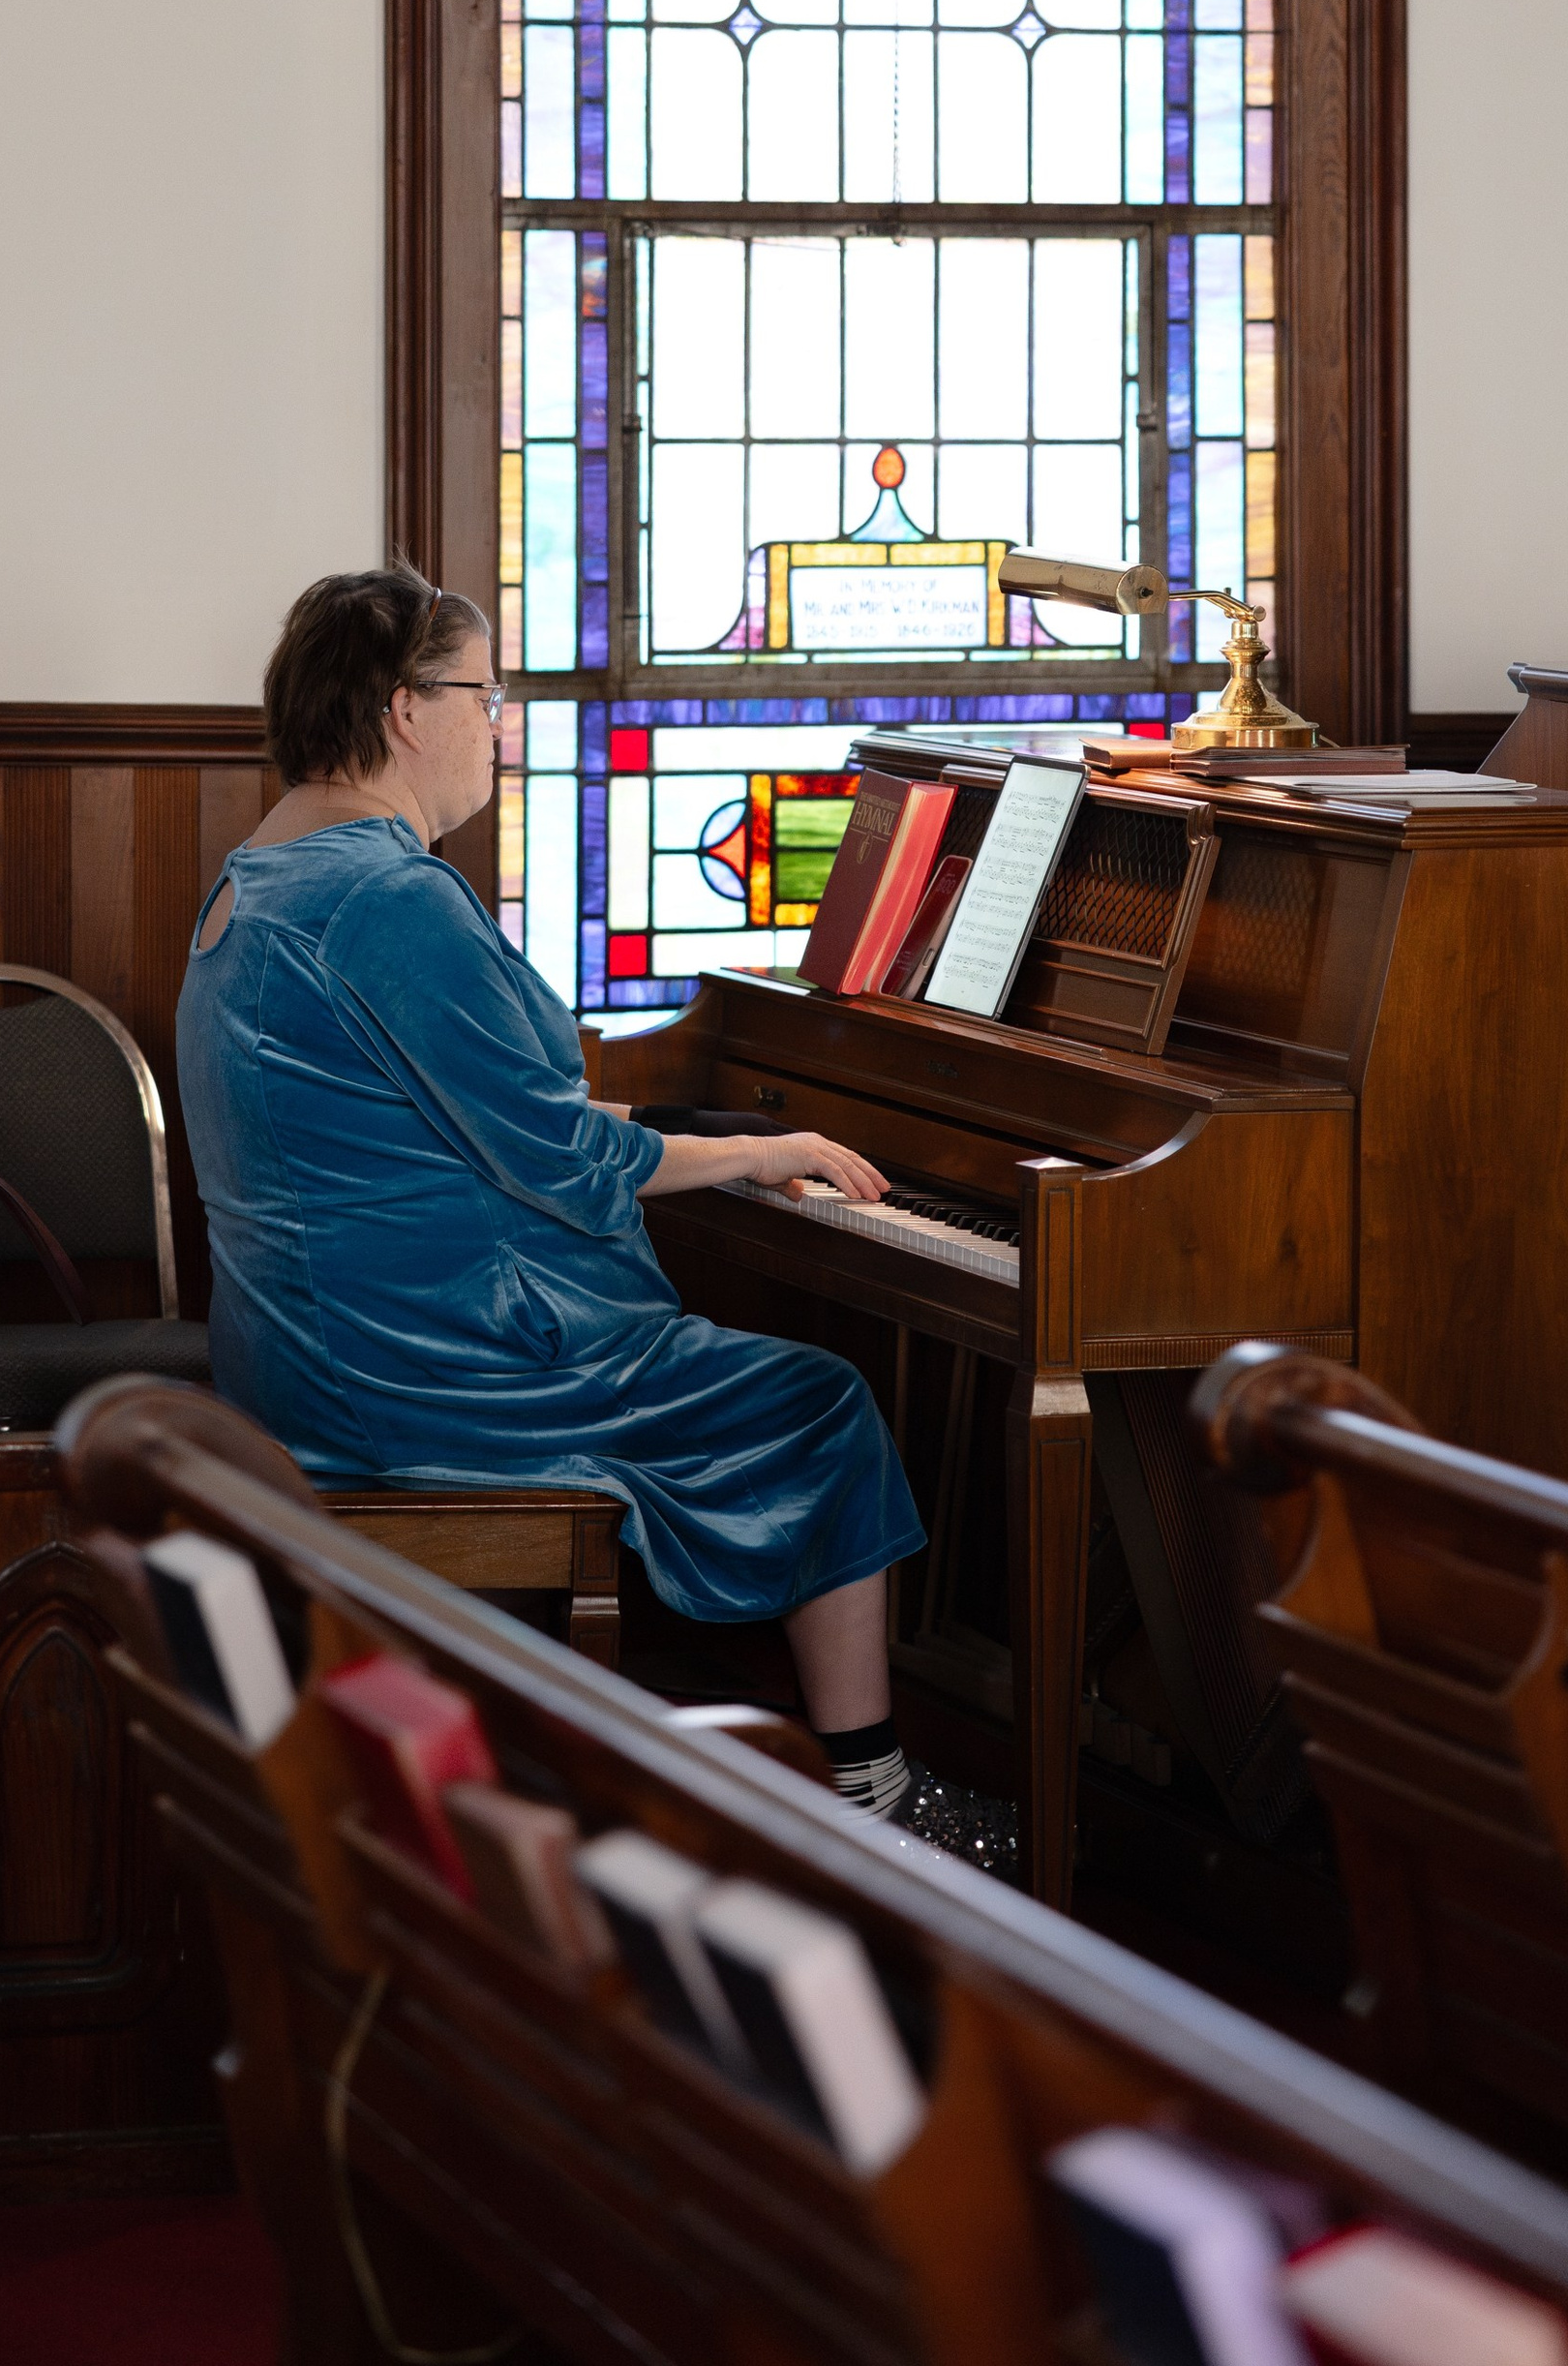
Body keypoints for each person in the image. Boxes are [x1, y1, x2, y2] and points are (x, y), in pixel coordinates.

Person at [178, 562, 1010, 1863]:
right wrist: (754, 1150)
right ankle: (876, 1798)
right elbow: (557, 1156)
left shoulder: (259, 878)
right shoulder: (386, 895)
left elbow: (470, 1134)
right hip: (430, 1379)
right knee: (821, 1402)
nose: (499, 725)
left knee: (741, 1337)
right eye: (485, 692)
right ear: (405, 707)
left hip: (306, 1356)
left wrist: (715, 1148)